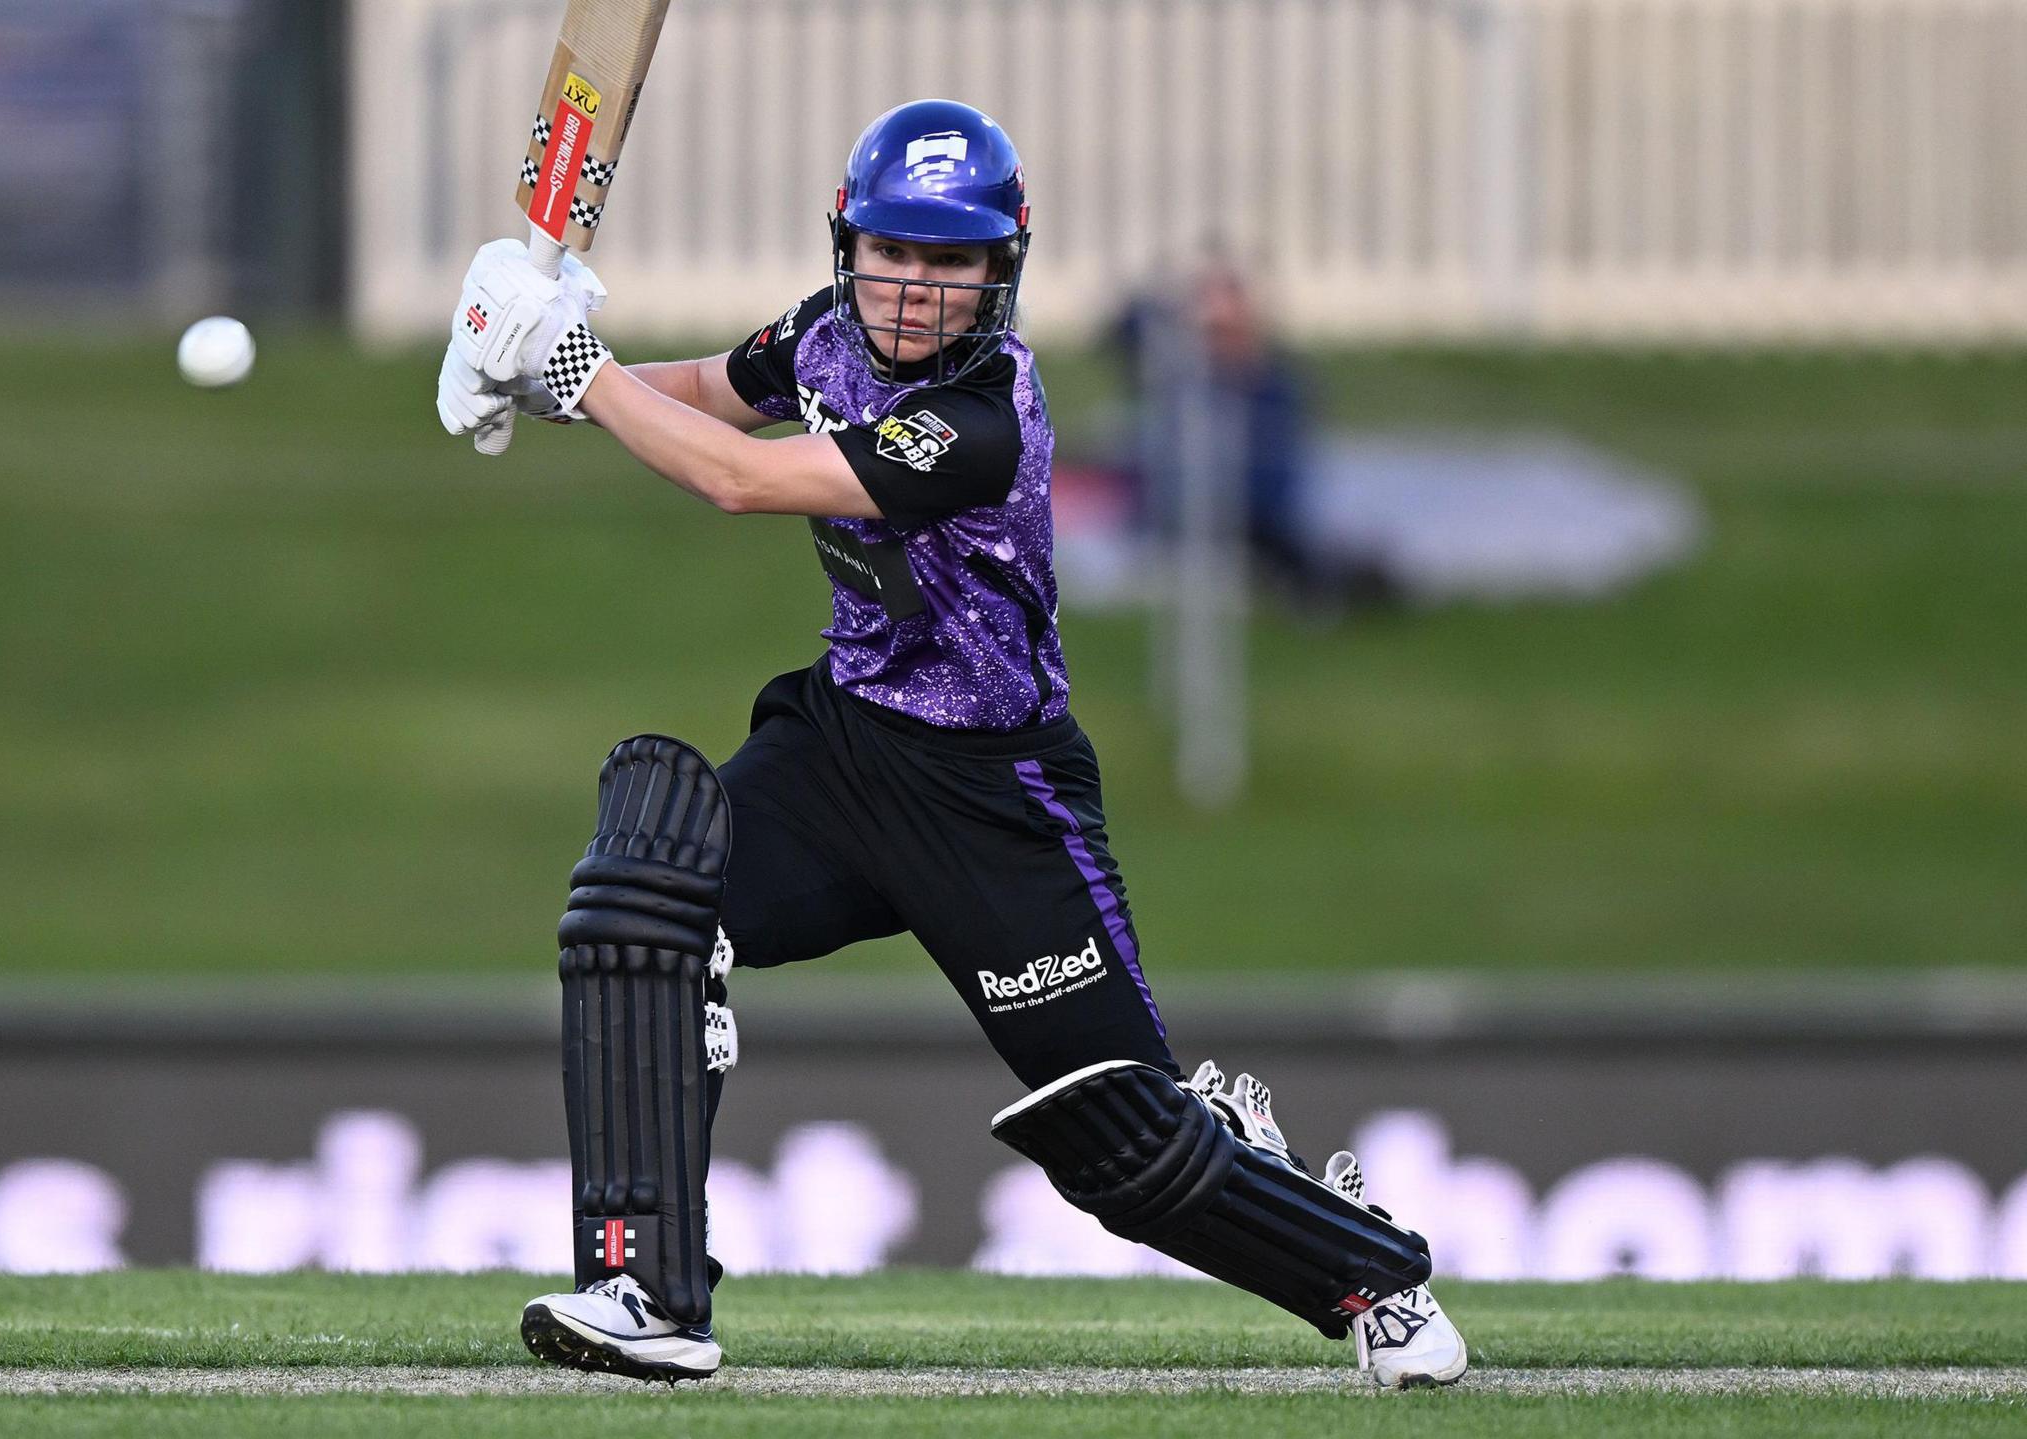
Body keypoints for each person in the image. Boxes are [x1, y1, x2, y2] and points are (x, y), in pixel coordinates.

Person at [436, 99, 1466, 1389]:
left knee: (1125, 1147)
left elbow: (739, 479)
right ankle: (645, 1290)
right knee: (646, 892)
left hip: (997, 797)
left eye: (953, 261)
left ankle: (1371, 1273)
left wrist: (575, 365)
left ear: (1000, 270)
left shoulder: (982, 414)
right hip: (844, 746)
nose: (917, 289)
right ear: (847, 243)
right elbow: (707, 398)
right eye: (896, 253)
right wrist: (534, 374)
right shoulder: (823, 330)